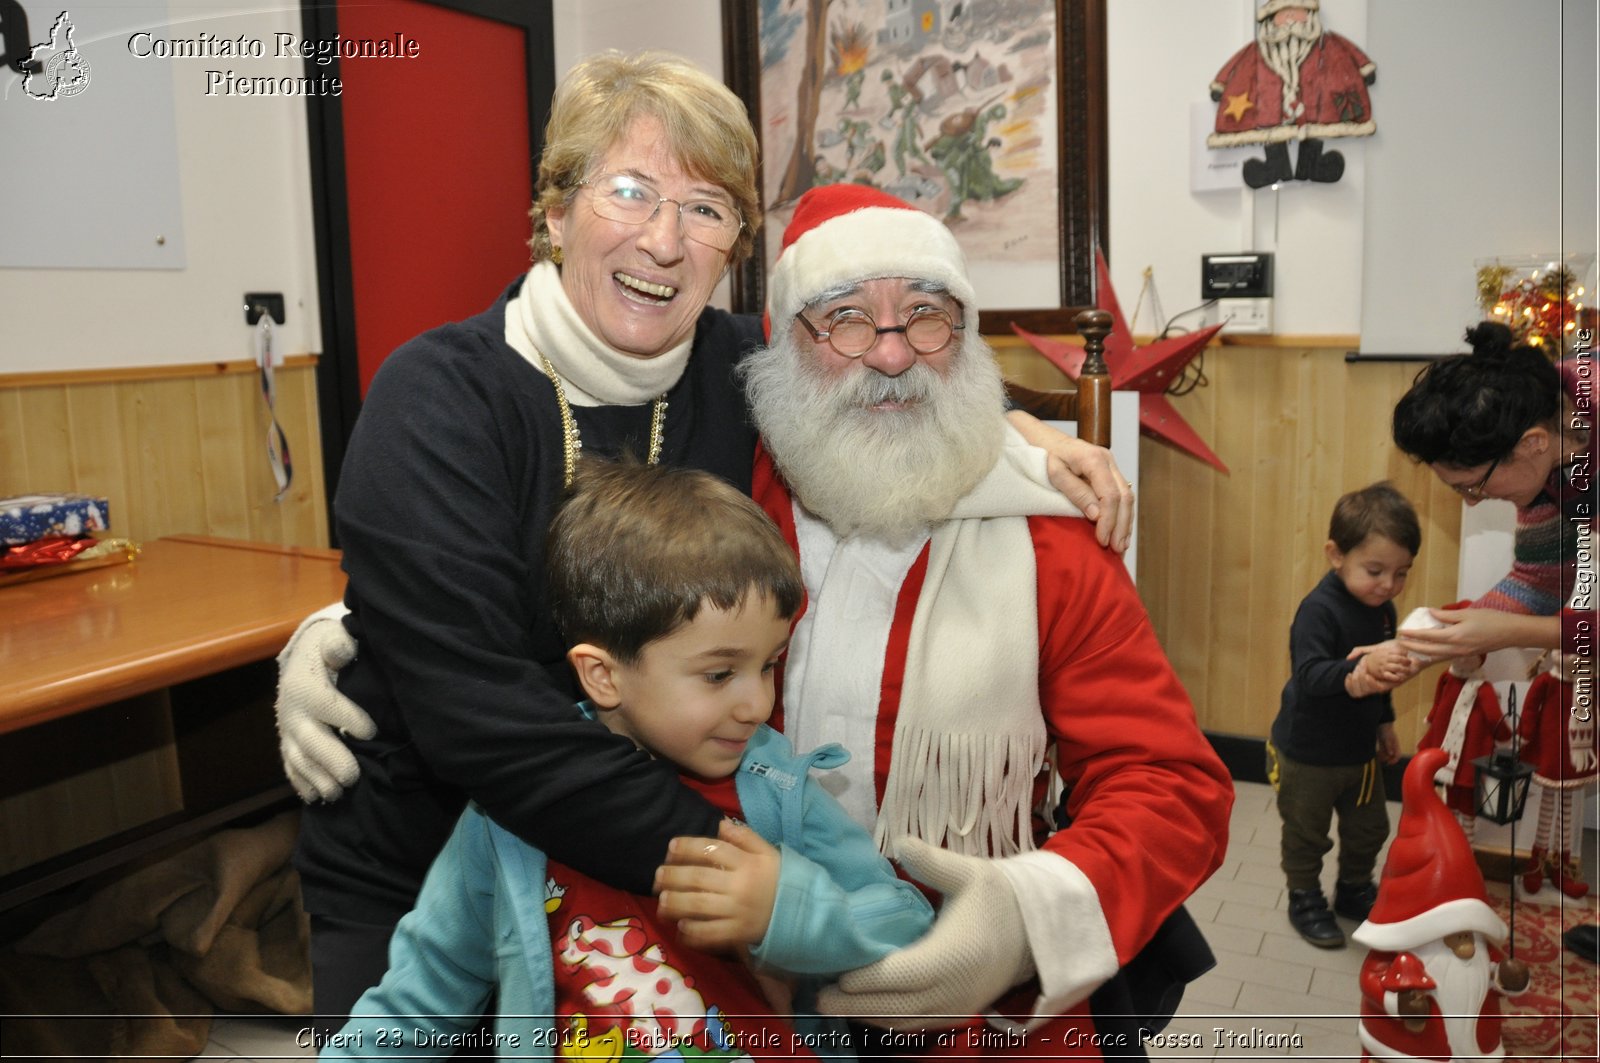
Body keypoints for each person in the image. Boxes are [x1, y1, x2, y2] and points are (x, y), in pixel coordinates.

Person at [274, 50, 1134, 1026]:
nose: (664, 239)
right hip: (442, 863)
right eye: (630, 191)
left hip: (646, 864)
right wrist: (778, 885)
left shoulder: (740, 371)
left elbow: (885, 374)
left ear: (735, 246)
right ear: (555, 211)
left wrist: (1011, 435)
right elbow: (480, 716)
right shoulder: (436, 396)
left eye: (707, 208)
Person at [698, 182, 1233, 1054]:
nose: (895, 355)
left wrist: (1024, 917)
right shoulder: (716, 506)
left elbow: (1171, 785)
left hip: (980, 1009)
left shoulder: (1049, 540)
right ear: (784, 343)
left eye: (927, 316)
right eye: (845, 320)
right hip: (736, 984)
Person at [323, 461, 934, 1058]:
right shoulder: (509, 815)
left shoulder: (779, 791)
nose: (757, 704)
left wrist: (791, 908)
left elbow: (910, 933)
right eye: (720, 673)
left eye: (769, 664)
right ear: (602, 676)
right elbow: (423, 994)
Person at [1266, 482, 1417, 949]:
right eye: (1375, 570)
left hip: (1359, 752)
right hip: (1308, 755)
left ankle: (1353, 889)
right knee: (1307, 834)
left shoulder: (1383, 609)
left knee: (1370, 829)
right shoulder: (1319, 610)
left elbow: (1383, 674)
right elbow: (1310, 675)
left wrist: (1386, 722)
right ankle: (1305, 897)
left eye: (1401, 573)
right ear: (1336, 555)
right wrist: (1355, 672)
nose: (1388, 585)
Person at [1351, 748, 1529, 1061]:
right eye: (1452, 930)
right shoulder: (1397, 950)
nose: (1463, 942)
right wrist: (1398, 1004)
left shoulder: (1482, 947)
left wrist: (1506, 978)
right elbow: (1371, 979)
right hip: (1407, 1050)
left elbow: (1496, 977)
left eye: (1465, 929)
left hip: (1477, 1047)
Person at [1207, 0, 1377, 186]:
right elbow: (1236, 63)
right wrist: (1220, 85)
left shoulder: (1326, 44)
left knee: (1313, 129)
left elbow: (1350, 52)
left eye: (1296, 12)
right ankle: (1274, 168)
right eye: (1283, 14)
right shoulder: (1258, 51)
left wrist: (1365, 69)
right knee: (1272, 132)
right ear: (1271, 20)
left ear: (1309, 15)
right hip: (1270, 104)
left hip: (1316, 101)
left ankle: (1312, 166)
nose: (1290, 19)